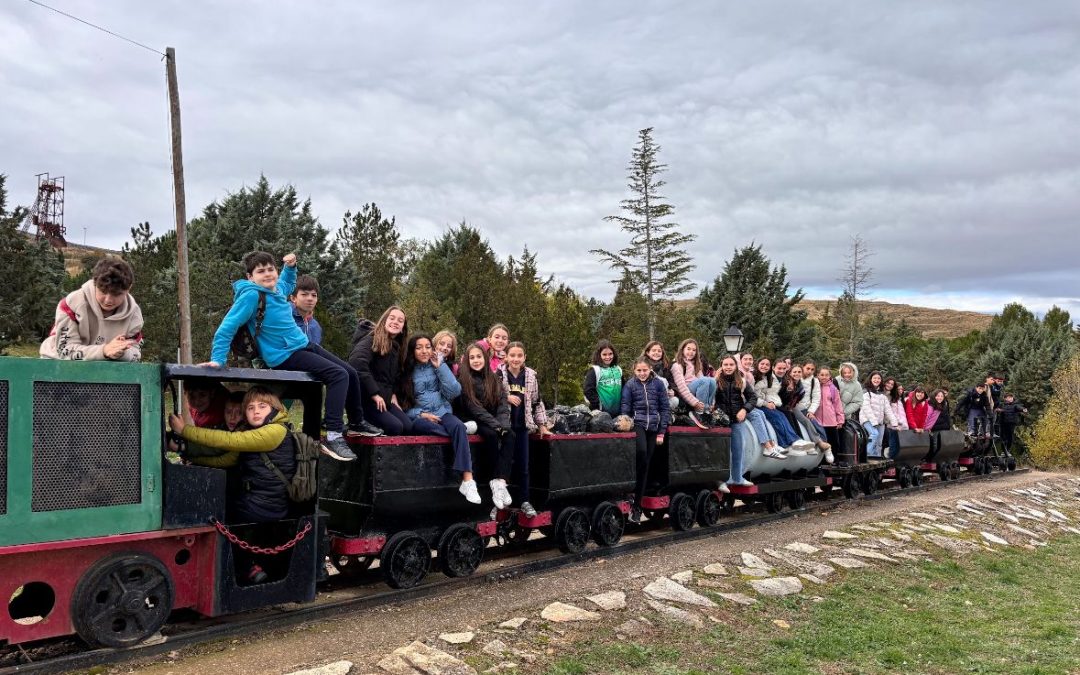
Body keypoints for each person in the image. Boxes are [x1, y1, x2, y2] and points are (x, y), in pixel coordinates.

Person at [204, 251, 382, 461]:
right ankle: (333, 435)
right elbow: (227, 327)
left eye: (271, 269)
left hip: (302, 345)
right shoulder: (251, 296)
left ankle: (356, 423)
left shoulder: (276, 289)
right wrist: (218, 359)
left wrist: (291, 267)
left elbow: (287, 283)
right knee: (337, 375)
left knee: (350, 372)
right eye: (261, 271)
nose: (268, 274)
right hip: (283, 355)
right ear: (250, 277)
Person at [169, 387, 296, 583]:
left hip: (268, 504)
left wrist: (185, 430)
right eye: (251, 407)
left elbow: (230, 440)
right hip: (256, 499)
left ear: (275, 409)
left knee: (217, 516)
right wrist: (188, 457)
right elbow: (226, 460)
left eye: (262, 406)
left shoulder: (275, 431)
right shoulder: (256, 430)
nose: (255, 411)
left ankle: (245, 568)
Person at [399, 334, 478, 504]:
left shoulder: (439, 366)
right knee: (432, 427)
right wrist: (420, 414)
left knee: (456, 426)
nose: (424, 350)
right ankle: (462, 432)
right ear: (412, 350)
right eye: (419, 347)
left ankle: (468, 480)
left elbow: (454, 392)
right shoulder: (405, 372)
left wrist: (440, 366)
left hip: (443, 412)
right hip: (421, 417)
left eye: (428, 346)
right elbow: (402, 407)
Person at [40, 258, 144, 361]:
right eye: (103, 292)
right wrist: (104, 351)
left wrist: (121, 351)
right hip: (55, 364)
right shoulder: (72, 304)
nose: (108, 300)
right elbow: (65, 351)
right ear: (95, 283)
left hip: (104, 369)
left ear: (129, 288)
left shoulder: (134, 315)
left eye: (116, 294)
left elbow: (135, 354)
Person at [458, 343, 516, 510]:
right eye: (472, 357)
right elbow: (474, 408)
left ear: (484, 358)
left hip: (494, 420)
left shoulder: (494, 378)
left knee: (510, 435)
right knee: (491, 435)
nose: (476, 360)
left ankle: (500, 482)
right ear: (467, 361)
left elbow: (502, 404)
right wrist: (496, 426)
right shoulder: (464, 379)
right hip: (475, 420)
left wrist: (503, 425)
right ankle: (492, 477)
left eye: (479, 357)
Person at [499, 341, 550, 518]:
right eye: (512, 355)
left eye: (519, 355)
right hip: (504, 427)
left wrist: (542, 424)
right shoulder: (499, 374)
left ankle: (524, 500)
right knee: (503, 466)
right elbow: (491, 396)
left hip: (522, 427)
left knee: (523, 465)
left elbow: (537, 401)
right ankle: (498, 504)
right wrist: (507, 397)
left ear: (524, 357)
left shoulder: (530, 376)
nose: (515, 359)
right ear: (506, 357)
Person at [348, 306, 412, 436]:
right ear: (384, 321)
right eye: (392, 318)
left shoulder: (396, 347)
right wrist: (374, 394)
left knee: (408, 427)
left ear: (402, 328)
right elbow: (357, 363)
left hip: (385, 400)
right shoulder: (371, 339)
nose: (395, 322)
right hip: (366, 400)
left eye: (400, 320)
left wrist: (393, 394)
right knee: (395, 427)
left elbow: (395, 376)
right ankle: (357, 425)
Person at [621, 358, 671, 524]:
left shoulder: (658, 384)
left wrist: (661, 432)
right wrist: (626, 424)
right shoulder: (630, 385)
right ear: (634, 371)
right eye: (638, 371)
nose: (642, 373)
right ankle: (630, 494)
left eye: (644, 370)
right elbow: (626, 407)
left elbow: (664, 408)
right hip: (638, 424)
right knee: (641, 453)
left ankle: (637, 506)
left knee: (646, 465)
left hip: (654, 426)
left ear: (650, 369)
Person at [715, 355, 775, 487]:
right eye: (725, 365)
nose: (728, 367)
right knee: (721, 451)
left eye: (731, 364)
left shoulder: (741, 381)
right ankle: (723, 479)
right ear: (721, 366)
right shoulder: (716, 380)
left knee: (738, 449)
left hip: (737, 420)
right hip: (721, 421)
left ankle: (738, 478)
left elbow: (752, 398)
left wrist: (744, 410)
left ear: (735, 366)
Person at [753, 357, 811, 453]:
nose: (782, 371)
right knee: (777, 416)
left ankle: (793, 442)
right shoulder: (761, 377)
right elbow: (754, 395)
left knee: (783, 414)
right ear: (774, 368)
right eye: (779, 368)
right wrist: (766, 403)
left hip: (768, 402)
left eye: (784, 369)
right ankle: (792, 441)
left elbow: (769, 393)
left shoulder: (773, 378)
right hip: (759, 404)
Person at [786, 364, 834, 461]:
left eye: (812, 369)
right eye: (807, 368)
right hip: (793, 407)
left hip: (805, 408)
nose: (809, 371)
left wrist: (811, 411)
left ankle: (823, 447)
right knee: (805, 422)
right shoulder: (791, 381)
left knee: (816, 424)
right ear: (803, 368)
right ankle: (817, 443)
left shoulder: (813, 381)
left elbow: (816, 398)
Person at [669, 339, 718, 429]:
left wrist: (712, 403)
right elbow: (681, 388)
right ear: (682, 349)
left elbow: (707, 382)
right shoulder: (677, 365)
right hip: (687, 392)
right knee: (705, 380)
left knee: (712, 381)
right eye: (688, 349)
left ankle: (706, 410)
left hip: (697, 389)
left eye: (694, 350)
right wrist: (695, 403)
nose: (691, 352)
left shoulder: (696, 364)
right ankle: (698, 411)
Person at [860, 371, 900, 458]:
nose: (876, 380)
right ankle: (868, 454)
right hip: (867, 420)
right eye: (874, 378)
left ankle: (877, 457)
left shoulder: (882, 394)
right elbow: (866, 408)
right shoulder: (866, 391)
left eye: (878, 378)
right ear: (871, 379)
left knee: (879, 442)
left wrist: (895, 423)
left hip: (880, 422)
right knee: (874, 434)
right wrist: (874, 421)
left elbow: (888, 410)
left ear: (881, 380)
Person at [583, 340, 623, 417]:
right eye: (604, 354)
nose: (608, 357)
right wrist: (598, 405)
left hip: (618, 414)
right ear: (599, 355)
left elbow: (624, 389)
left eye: (610, 354)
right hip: (600, 415)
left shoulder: (618, 369)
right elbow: (588, 390)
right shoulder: (595, 370)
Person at [641, 341, 679, 410]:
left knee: (675, 400)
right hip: (645, 397)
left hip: (662, 398)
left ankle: (664, 413)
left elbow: (671, 382)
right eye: (654, 350)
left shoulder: (666, 366)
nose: (656, 353)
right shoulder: (641, 365)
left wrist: (673, 391)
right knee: (660, 380)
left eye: (659, 351)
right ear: (647, 353)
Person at [815, 366, 845, 451]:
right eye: (822, 375)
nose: (824, 377)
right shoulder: (815, 386)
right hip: (817, 420)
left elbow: (837, 404)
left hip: (831, 420)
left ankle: (835, 461)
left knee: (834, 442)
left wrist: (840, 420)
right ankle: (822, 461)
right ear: (818, 375)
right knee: (822, 442)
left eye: (826, 375)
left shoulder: (833, 388)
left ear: (830, 376)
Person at [289, 275, 322, 346]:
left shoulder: (316, 326)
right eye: (304, 294)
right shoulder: (284, 318)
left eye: (314, 295)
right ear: (293, 298)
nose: (310, 298)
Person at [882, 377, 909, 459]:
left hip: (896, 424)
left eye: (902, 389)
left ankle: (893, 461)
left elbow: (902, 414)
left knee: (896, 445)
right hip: (890, 424)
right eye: (899, 389)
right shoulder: (889, 398)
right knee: (891, 444)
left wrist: (903, 424)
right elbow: (891, 412)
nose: (900, 391)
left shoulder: (899, 400)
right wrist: (897, 422)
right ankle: (890, 462)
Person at [926, 389, 951, 460]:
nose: (940, 398)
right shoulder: (930, 405)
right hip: (933, 428)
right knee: (935, 445)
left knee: (941, 445)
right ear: (934, 396)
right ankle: (931, 459)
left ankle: (936, 459)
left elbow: (946, 417)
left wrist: (947, 426)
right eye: (938, 396)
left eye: (941, 396)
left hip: (943, 428)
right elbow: (928, 418)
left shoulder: (943, 405)